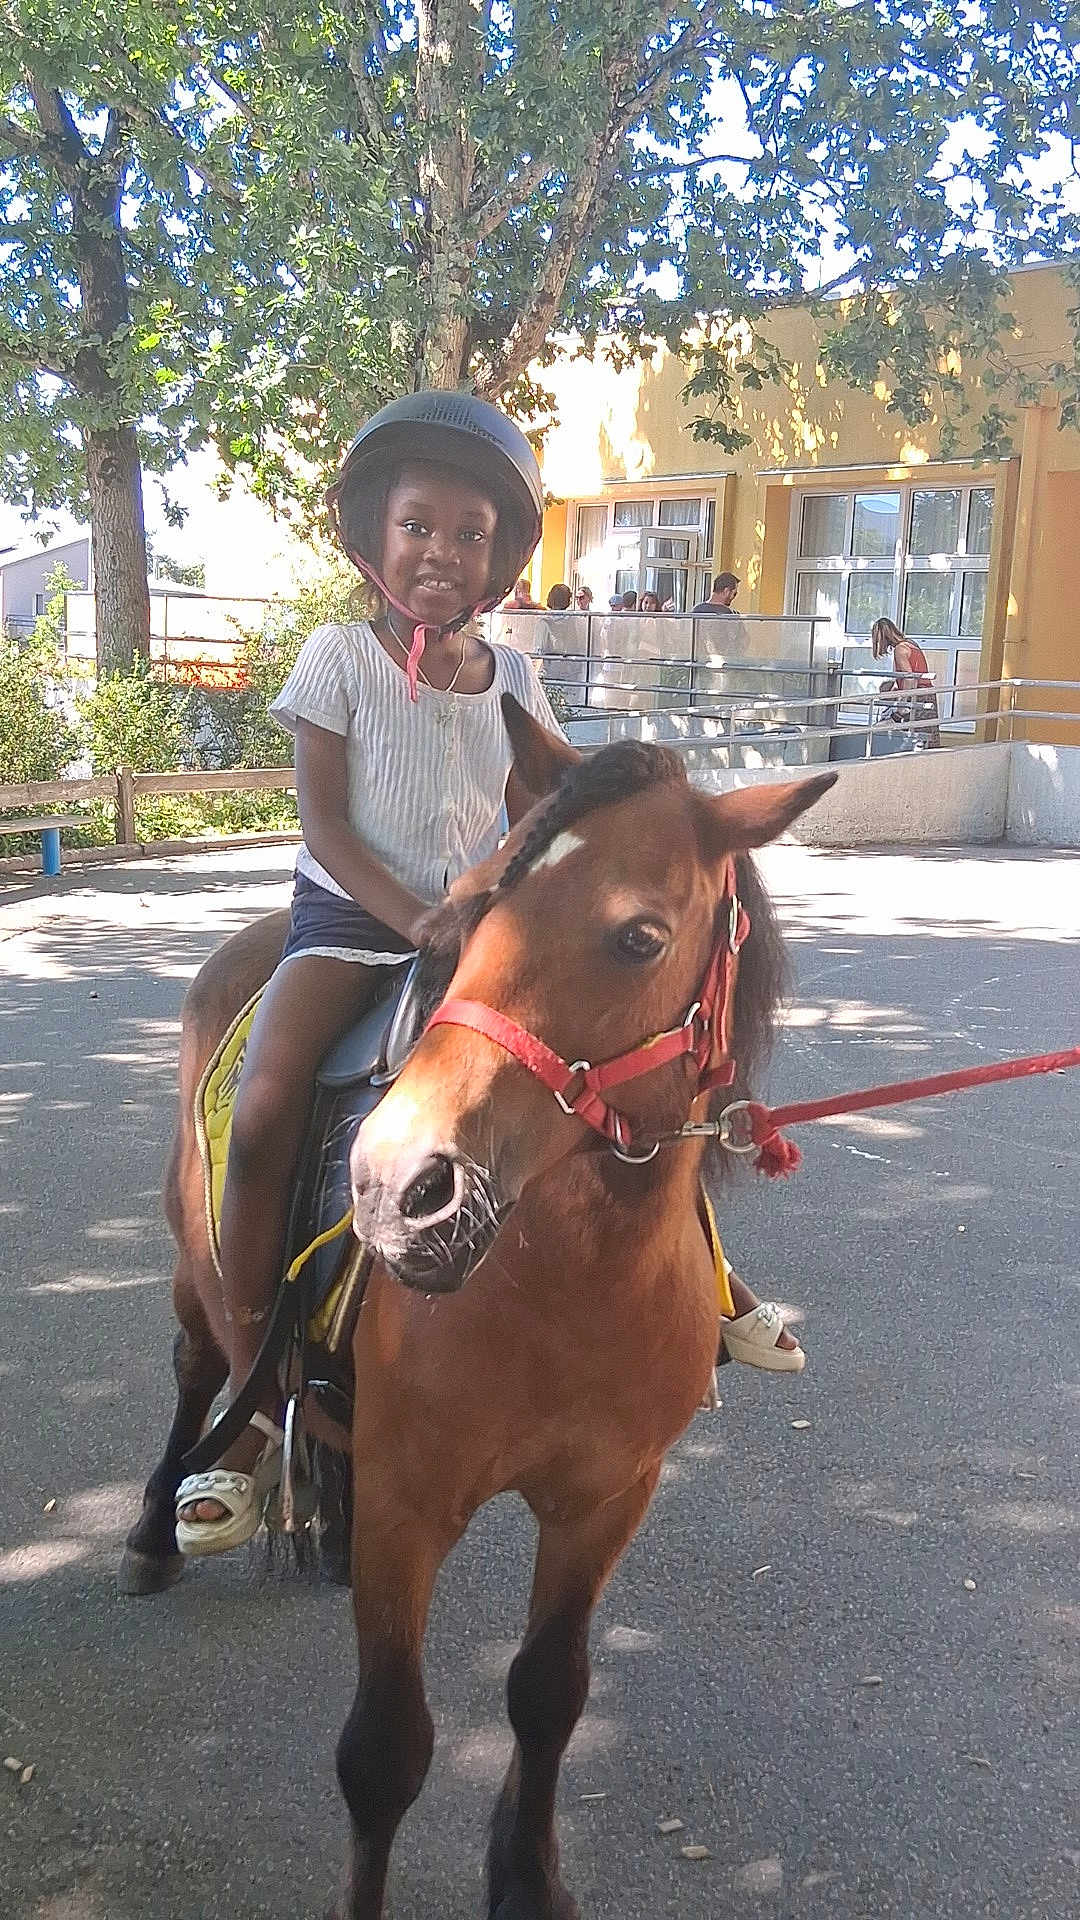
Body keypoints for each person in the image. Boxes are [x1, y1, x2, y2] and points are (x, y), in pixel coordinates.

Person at [174, 396, 801, 1554]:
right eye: (420, 526)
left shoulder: (512, 676)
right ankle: (253, 1395)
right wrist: (417, 914)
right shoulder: (337, 659)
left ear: (498, 559)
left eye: (470, 534)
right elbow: (325, 825)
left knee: (634, 1079)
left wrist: (510, 904)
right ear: (375, 536)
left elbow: (544, 814)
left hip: (475, 936)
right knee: (264, 1108)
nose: (442, 553)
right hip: (346, 926)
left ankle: (711, 1278)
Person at [871, 617, 940, 749]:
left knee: (915, 742)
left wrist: (902, 707)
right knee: (929, 741)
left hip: (917, 698)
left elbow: (910, 678)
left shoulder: (900, 650)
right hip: (928, 695)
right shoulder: (911, 644)